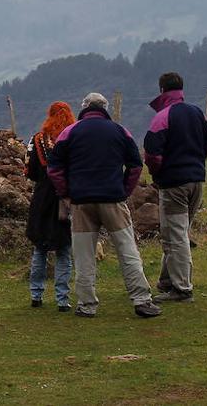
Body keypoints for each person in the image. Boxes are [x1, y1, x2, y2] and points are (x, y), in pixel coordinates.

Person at [47, 92, 162, 319]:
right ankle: (141, 300)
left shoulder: (70, 132)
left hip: (81, 202)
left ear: (84, 107)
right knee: (127, 250)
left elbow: (54, 168)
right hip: (112, 199)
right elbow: (135, 165)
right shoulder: (119, 131)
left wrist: (66, 193)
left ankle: (86, 304)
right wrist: (124, 190)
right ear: (105, 108)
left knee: (83, 255)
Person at [144, 72, 207, 302]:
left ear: (162, 90)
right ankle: (167, 282)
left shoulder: (162, 117)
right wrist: (197, 160)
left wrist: (158, 174)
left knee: (175, 236)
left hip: (174, 184)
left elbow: (152, 154)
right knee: (179, 232)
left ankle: (182, 289)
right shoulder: (196, 113)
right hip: (196, 181)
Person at [25, 102, 75, 311]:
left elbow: (29, 171)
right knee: (64, 249)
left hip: (43, 196)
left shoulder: (37, 140)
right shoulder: (73, 139)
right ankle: (62, 298)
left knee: (40, 247)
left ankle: (36, 294)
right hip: (66, 197)